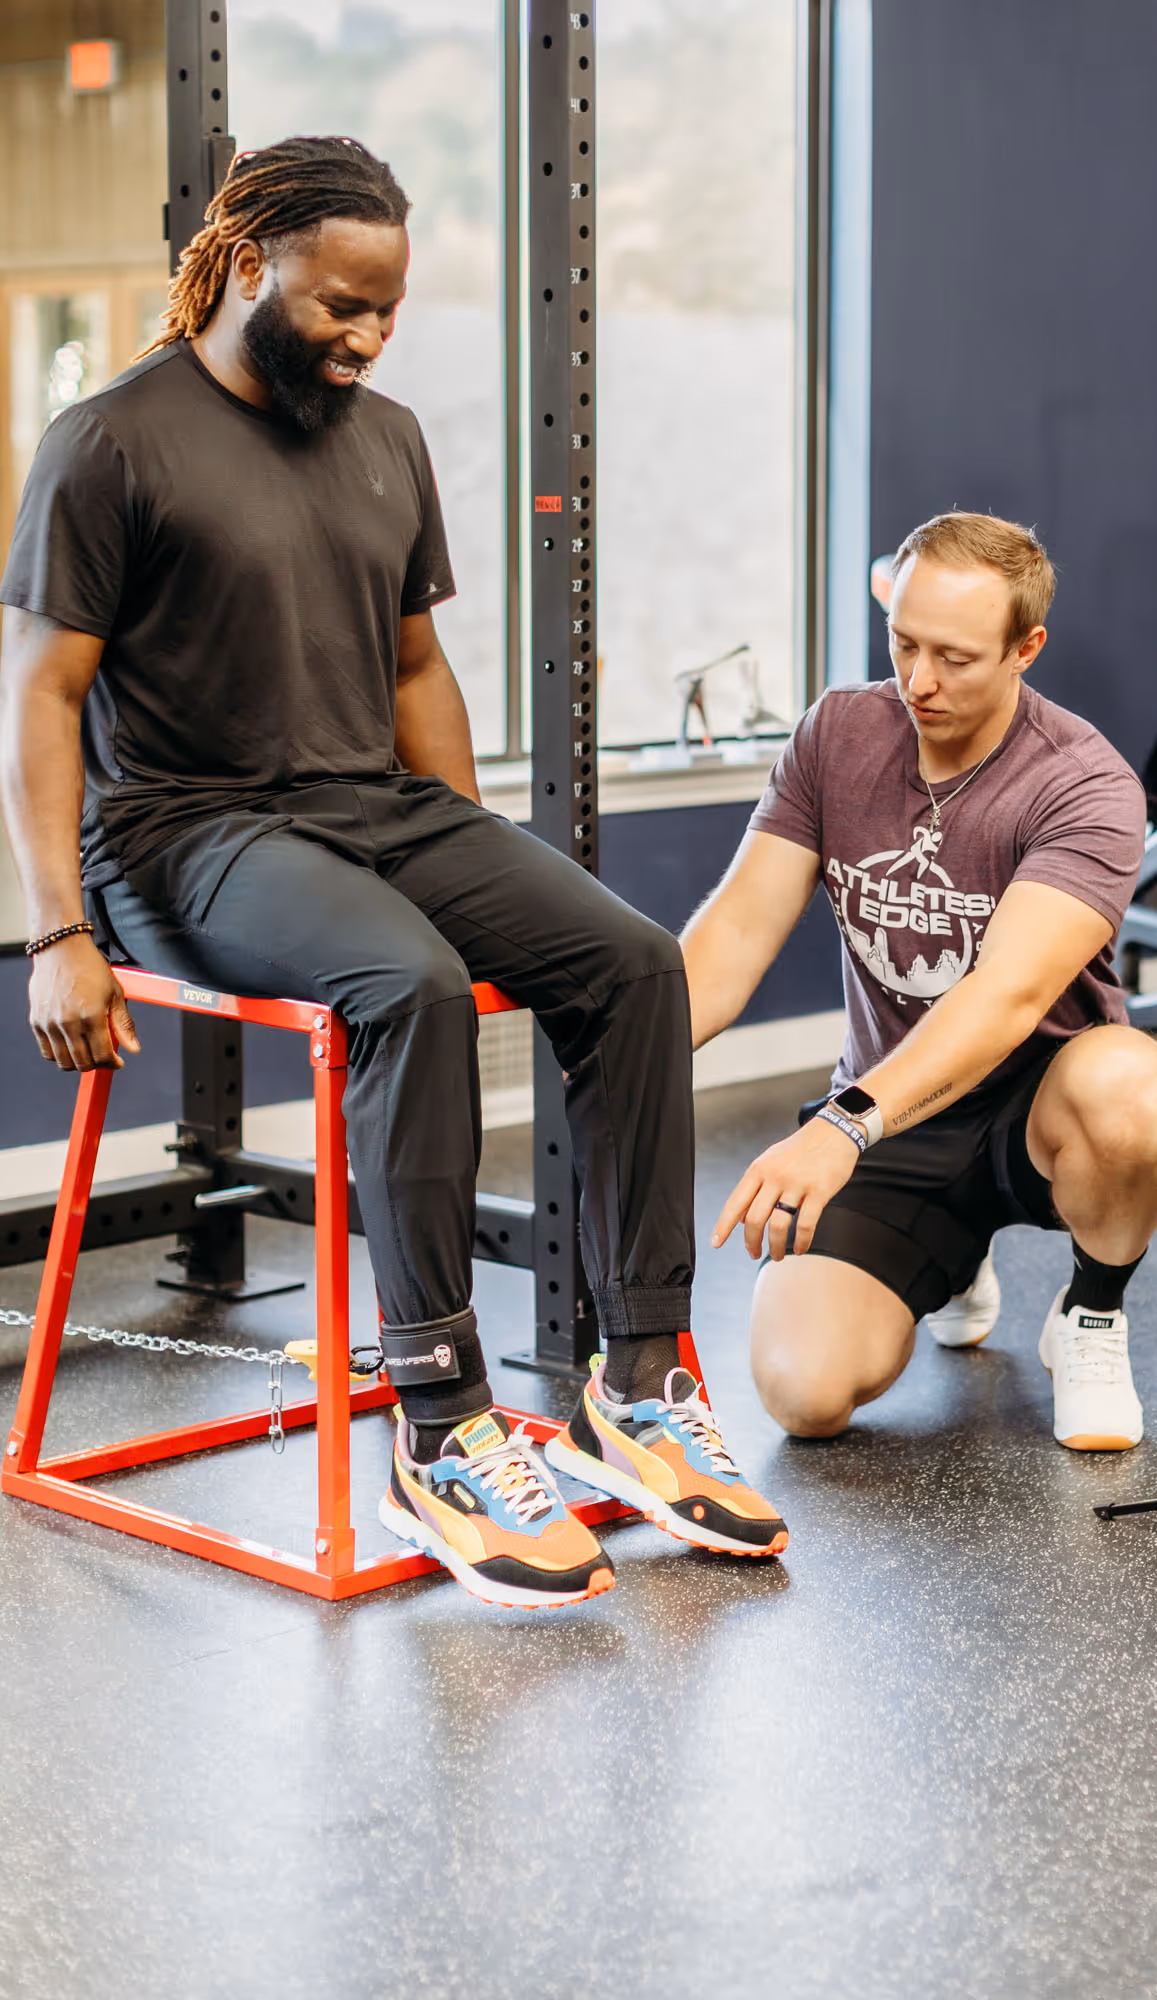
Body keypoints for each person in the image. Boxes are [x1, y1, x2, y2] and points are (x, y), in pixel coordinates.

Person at [0, 137, 786, 1610]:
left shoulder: (385, 434)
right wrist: (55, 930)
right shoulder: (110, 440)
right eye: (338, 307)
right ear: (247, 266)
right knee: (405, 982)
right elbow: (38, 696)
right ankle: (442, 1423)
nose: (363, 339)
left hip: (370, 805)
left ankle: (636, 1385)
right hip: (182, 832)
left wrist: (476, 849)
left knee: (628, 962)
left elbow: (417, 665)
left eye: (386, 313)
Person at [683, 512, 1157, 1446]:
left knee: (1135, 1089)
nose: (919, 680)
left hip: (1041, 1106)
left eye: (954, 657)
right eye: (904, 643)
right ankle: (949, 1262)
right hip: (897, 1113)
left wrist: (841, 1127)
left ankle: (1091, 1310)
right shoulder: (838, 734)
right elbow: (735, 934)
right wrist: (622, 1046)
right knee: (804, 1396)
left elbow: (1005, 997)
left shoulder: (1084, 783)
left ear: (1025, 648)